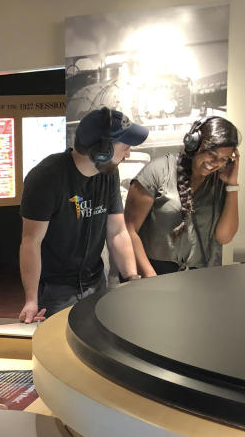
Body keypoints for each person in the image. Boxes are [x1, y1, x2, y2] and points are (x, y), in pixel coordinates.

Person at [18, 107, 148, 323]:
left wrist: (132, 278)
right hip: (55, 291)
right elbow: (31, 241)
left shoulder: (109, 173)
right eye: (125, 147)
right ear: (102, 150)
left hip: (96, 282)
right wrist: (31, 300)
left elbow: (117, 231)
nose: (128, 154)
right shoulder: (46, 177)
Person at [124, 116, 241, 276]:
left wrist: (232, 185)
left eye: (223, 159)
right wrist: (149, 276)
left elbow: (224, 237)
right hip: (154, 272)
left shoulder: (220, 182)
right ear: (194, 143)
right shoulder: (157, 172)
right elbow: (129, 230)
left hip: (200, 277)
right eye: (212, 154)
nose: (215, 163)